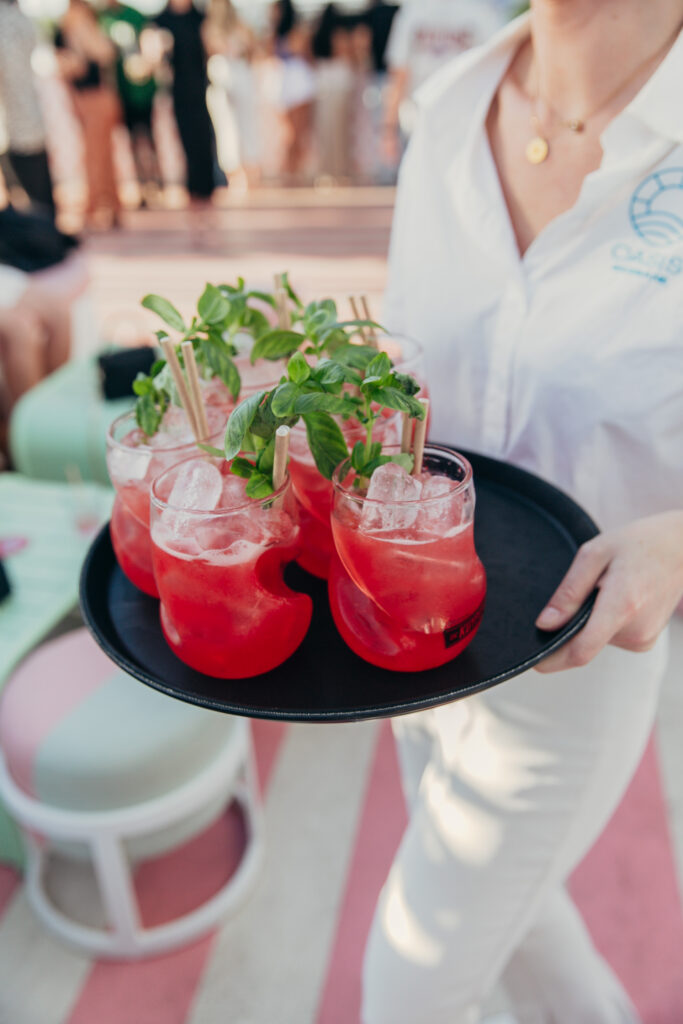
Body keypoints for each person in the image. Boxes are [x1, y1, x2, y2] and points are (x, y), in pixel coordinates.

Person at [362, 2, 683, 1023]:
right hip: (407, 625)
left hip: (573, 657)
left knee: (407, 985)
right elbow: (410, 352)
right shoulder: (448, 107)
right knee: (521, 918)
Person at [383, 0, 505, 159]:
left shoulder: (413, 11)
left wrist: (388, 131)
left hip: (461, 121)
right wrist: (389, 130)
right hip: (431, 120)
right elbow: (399, 76)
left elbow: (398, 76)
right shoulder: (482, 10)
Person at [54, 0, 122, 230]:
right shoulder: (63, 33)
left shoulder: (91, 29)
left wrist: (83, 44)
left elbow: (104, 55)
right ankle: (106, 205)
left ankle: (100, 206)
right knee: (96, 155)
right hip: (81, 100)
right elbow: (67, 68)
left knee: (99, 155)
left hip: (98, 99)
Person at [156, 0, 218, 204]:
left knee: (205, 135)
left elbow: (213, 47)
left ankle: (208, 186)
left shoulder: (201, 17)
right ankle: (193, 186)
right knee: (186, 137)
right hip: (178, 89)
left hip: (201, 87)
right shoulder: (161, 21)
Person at [0, 0, 56, 217]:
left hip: (14, 126)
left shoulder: (7, 21)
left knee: (28, 204)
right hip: (27, 118)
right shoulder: (22, 19)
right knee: (39, 196)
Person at [269, 0, 315, 179]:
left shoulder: (296, 32)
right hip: (287, 83)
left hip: (297, 83)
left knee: (297, 132)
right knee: (290, 132)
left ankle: (296, 170)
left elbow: (307, 54)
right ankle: (291, 169)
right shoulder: (277, 34)